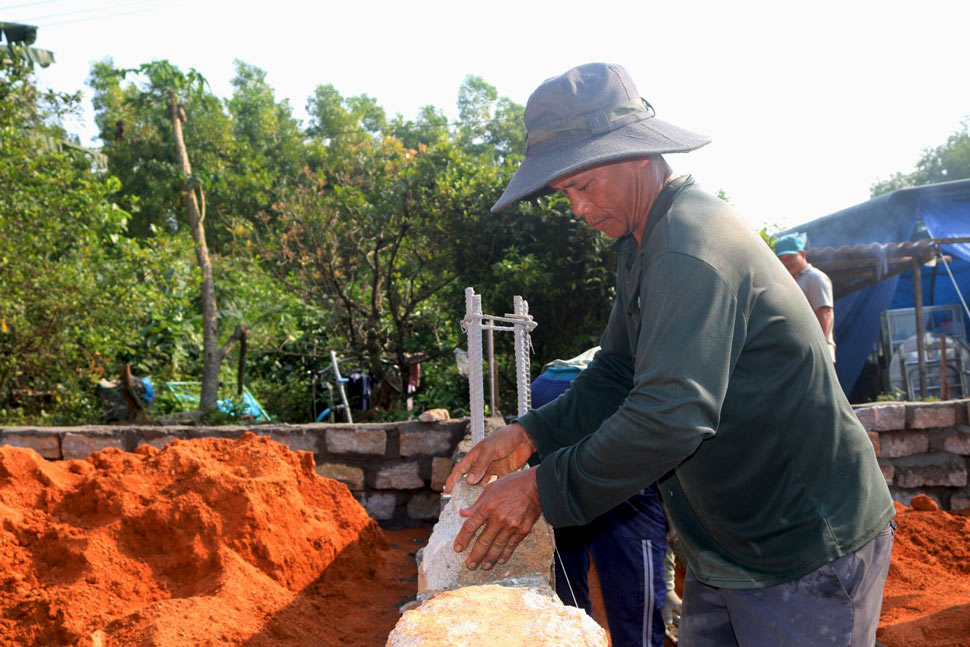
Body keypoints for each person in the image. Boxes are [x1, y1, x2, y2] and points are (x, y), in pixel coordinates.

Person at [444, 62, 894, 647]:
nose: (578, 209)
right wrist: (531, 435)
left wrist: (539, 489)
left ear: (634, 154)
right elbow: (616, 373)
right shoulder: (642, 241)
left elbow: (670, 416)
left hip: (804, 548)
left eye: (582, 185)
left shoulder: (688, 247)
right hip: (732, 547)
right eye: (565, 194)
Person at [531, 348, 669, 647]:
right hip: (597, 398)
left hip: (546, 390)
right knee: (632, 528)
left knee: (563, 532)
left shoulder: (632, 339)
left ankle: (572, 635)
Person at [775, 232, 837, 363]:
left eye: (790, 257)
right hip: (800, 355)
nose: (786, 262)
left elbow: (825, 313)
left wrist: (817, 349)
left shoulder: (815, 277)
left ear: (802, 254)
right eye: (782, 259)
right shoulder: (789, 281)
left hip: (815, 355)